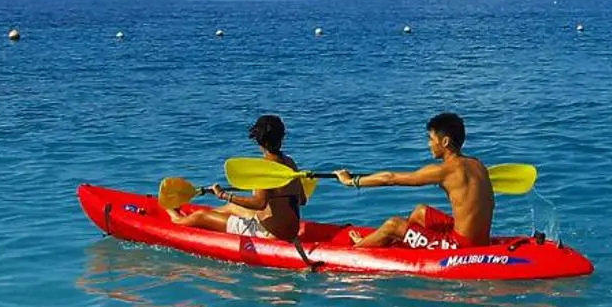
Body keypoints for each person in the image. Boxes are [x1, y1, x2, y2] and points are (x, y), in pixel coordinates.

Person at [336, 111, 493, 248]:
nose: (429, 144)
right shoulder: (477, 164)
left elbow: (390, 178)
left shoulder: (443, 170)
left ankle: (358, 248)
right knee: (420, 212)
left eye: (431, 139)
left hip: (460, 245)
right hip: (481, 240)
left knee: (393, 224)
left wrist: (351, 181)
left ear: (445, 142)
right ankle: (401, 244)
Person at [173, 113, 306, 241]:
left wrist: (224, 195)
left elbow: (259, 204)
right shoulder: (290, 162)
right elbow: (302, 200)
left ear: (257, 139)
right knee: (231, 207)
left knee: (200, 216)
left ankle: (176, 218)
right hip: (291, 231)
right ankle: (213, 219)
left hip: (268, 233)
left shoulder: (263, 168)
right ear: (282, 137)